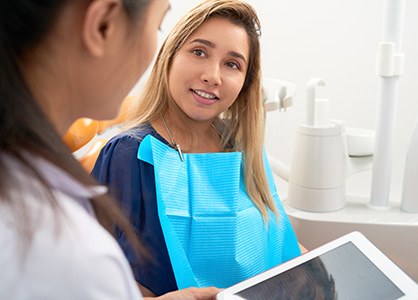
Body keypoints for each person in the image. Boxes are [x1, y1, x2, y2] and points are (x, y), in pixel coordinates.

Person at [0, 0, 218, 299]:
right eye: (156, 26)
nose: (212, 76)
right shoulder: (75, 255)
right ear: (104, 24)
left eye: (233, 64)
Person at [91, 0, 303, 297]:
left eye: (232, 64)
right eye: (199, 52)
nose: (212, 76)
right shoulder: (130, 154)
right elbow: (95, 280)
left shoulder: (242, 149)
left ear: (245, 82)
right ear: (170, 56)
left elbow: (280, 245)